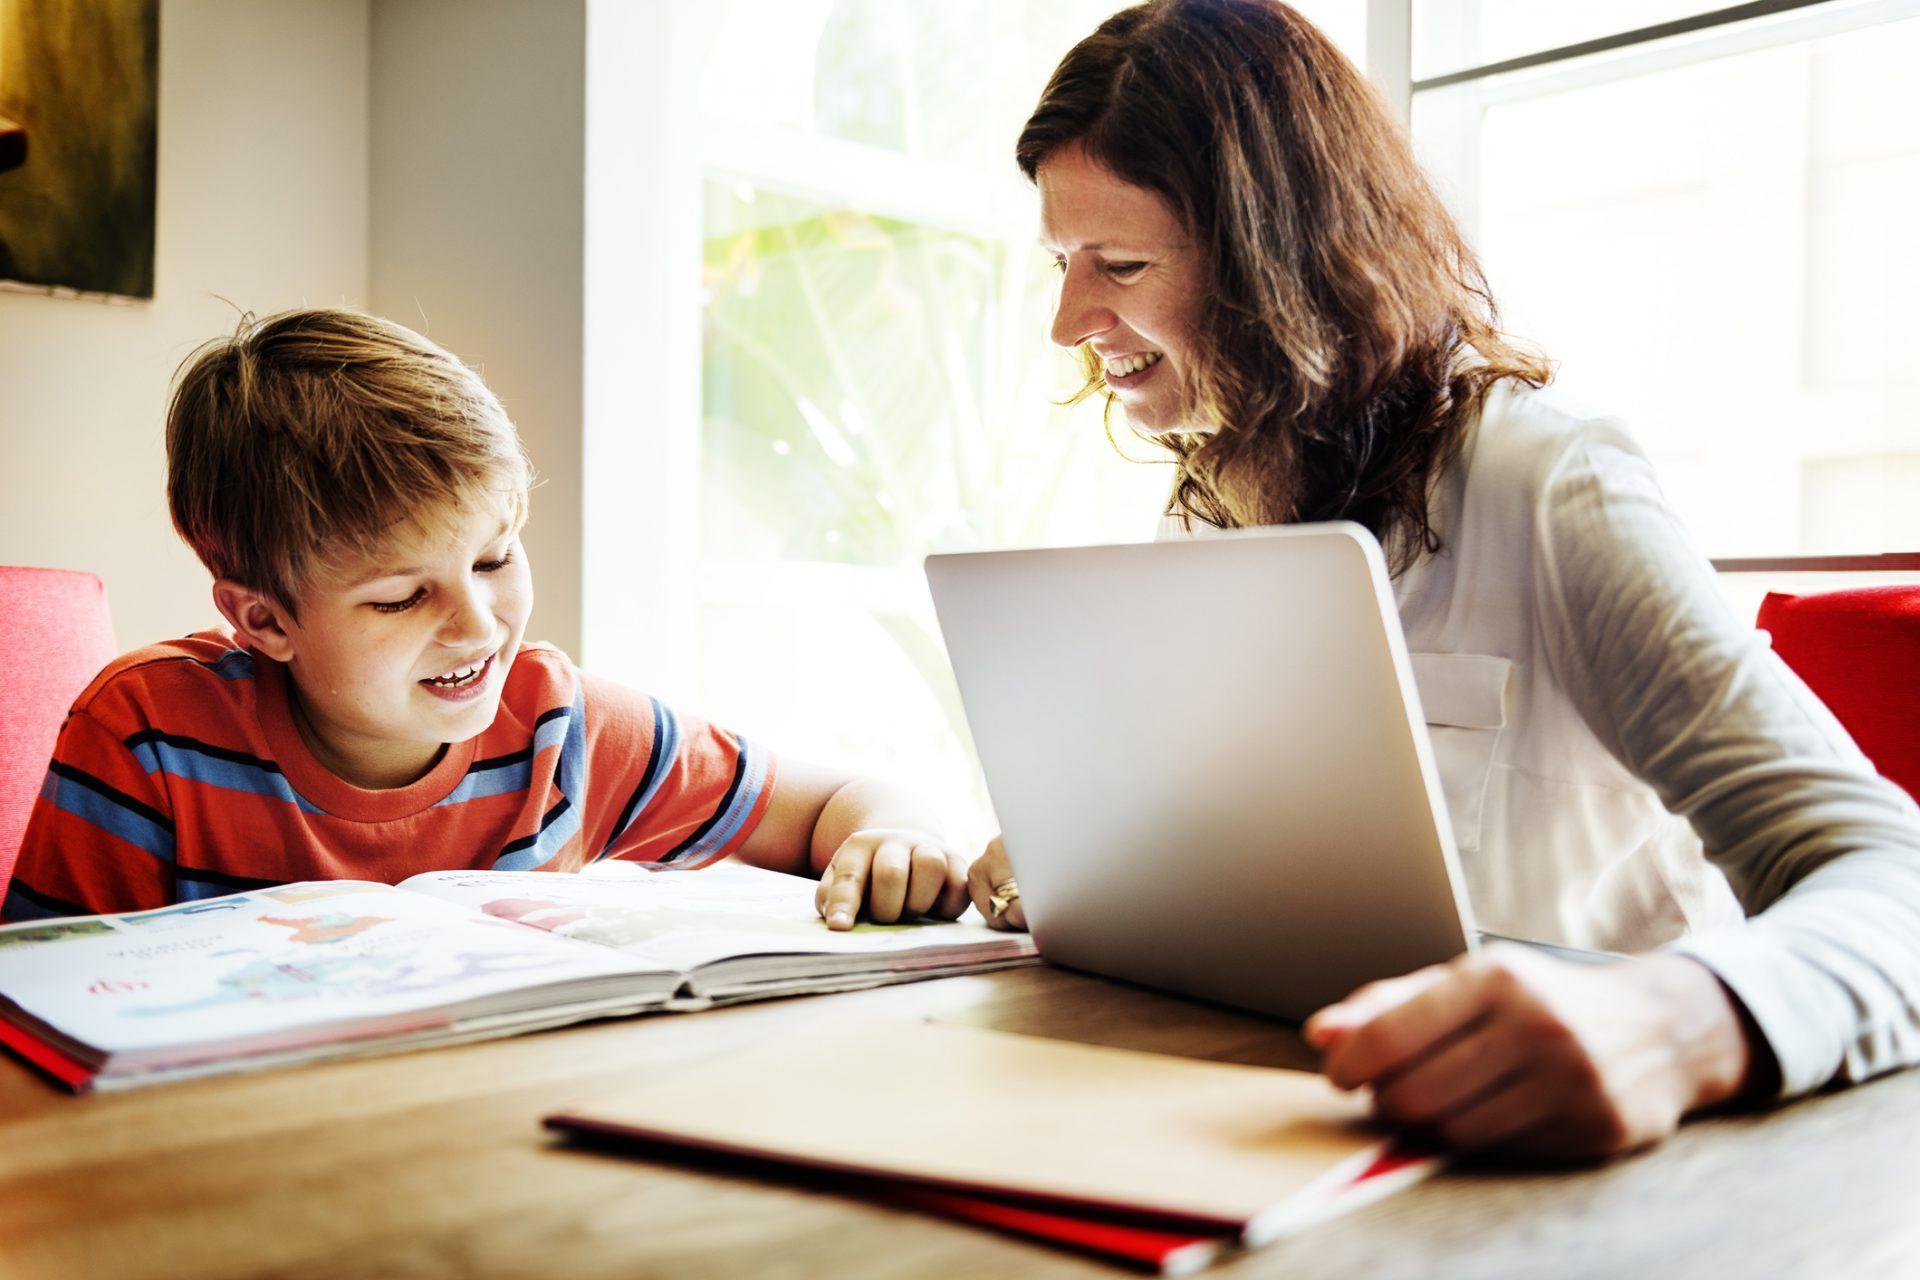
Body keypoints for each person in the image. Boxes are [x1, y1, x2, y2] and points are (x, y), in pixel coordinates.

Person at [966, 0, 1920, 1158]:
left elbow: (1892, 879)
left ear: (1278, 264)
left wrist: (1679, 1022)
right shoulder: (1210, 503)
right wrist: (1088, 861)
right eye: (1063, 262)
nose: (1069, 321)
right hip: (1310, 1119)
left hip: (1608, 1165)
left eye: (1119, 264)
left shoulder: (1547, 479)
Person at [4, 308, 969, 933]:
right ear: (265, 622)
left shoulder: (560, 730)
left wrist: (895, 837)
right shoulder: (146, 737)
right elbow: (38, 1008)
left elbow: (844, 802)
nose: (477, 625)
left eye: (494, 558)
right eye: (400, 597)